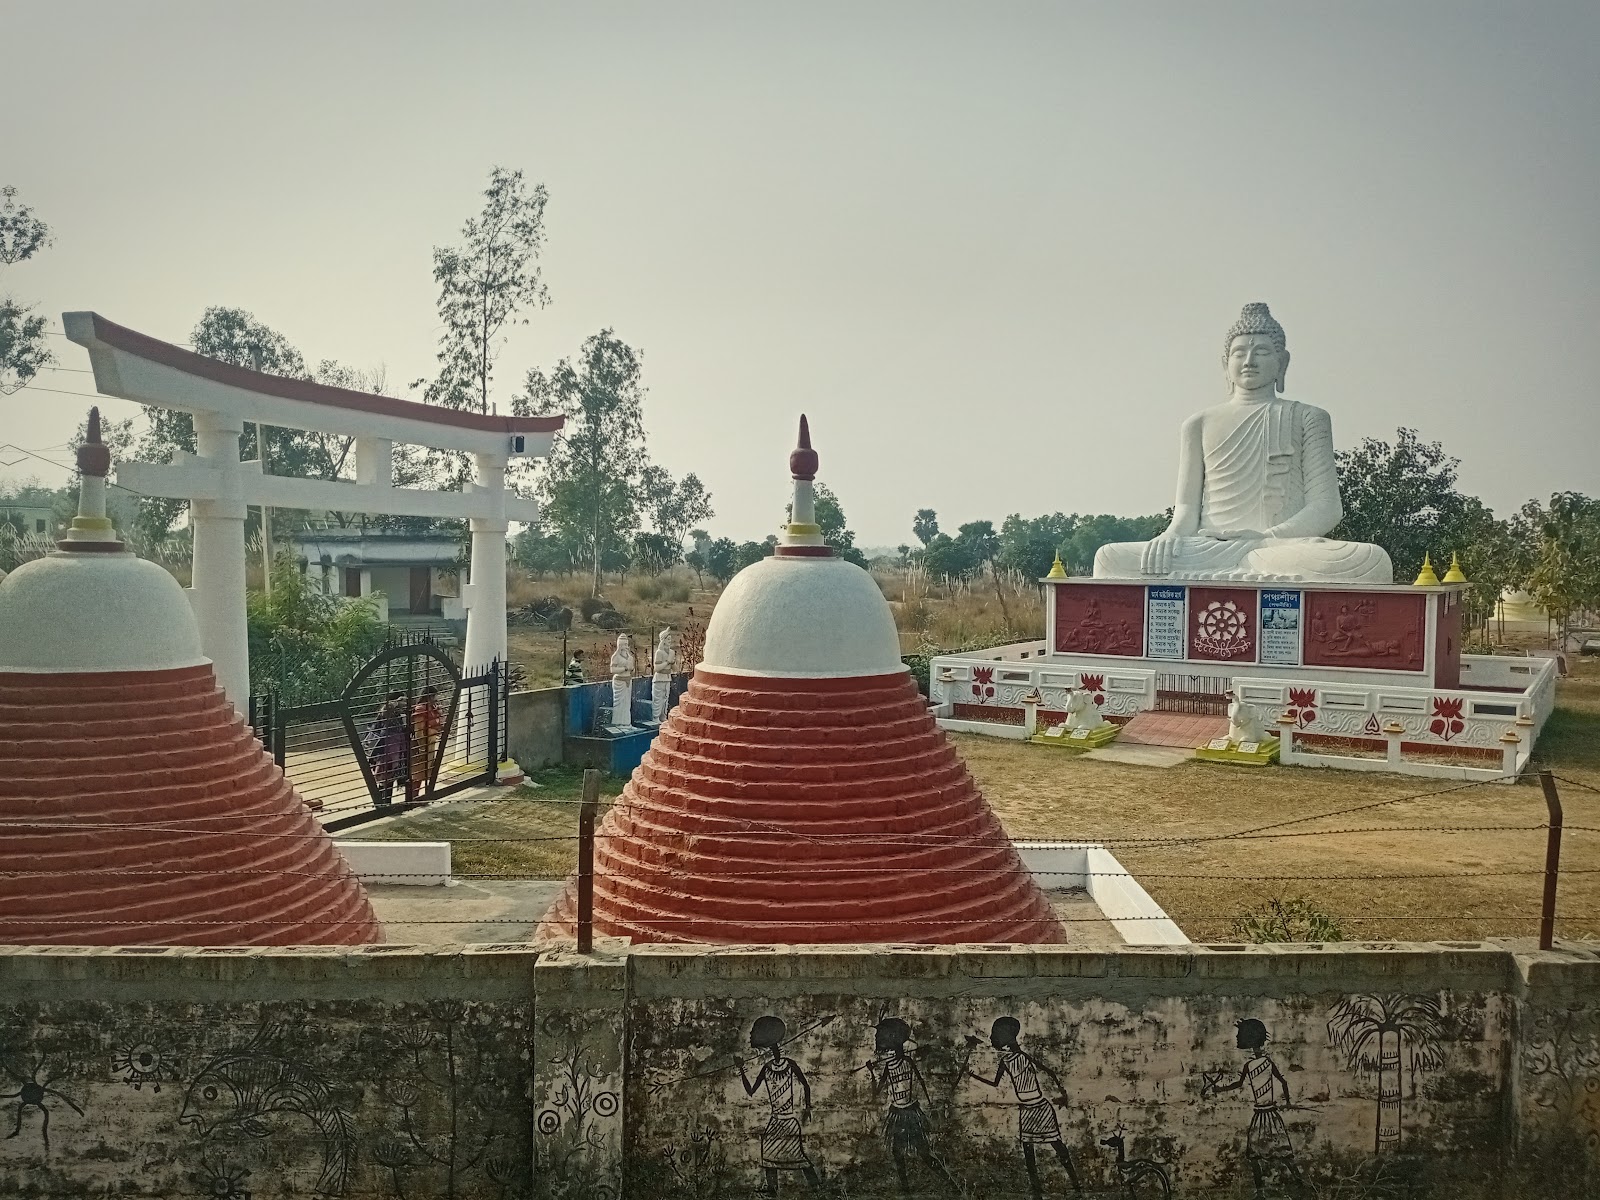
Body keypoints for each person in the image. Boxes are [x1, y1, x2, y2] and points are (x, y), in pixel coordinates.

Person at [1092, 303, 1392, 583]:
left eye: (1261, 351)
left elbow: (1326, 508)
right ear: (1226, 363)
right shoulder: (1199, 423)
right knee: (1110, 557)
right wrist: (1170, 537)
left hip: (1277, 547)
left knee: (1368, 559)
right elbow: (1186, 509)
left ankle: (1238, 567)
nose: (1249, 361)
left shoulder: (1308, 418)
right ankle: (1238, 569)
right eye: (1239, 353)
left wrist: (1268, 537)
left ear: (1282, 362)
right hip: (1208, 547)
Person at [968, 1017, 1081, 1197]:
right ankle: (1037, 1193)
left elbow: (1050, 1072)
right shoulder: (1006, 1061)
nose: (991, 1038)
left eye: (995, 1034)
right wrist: (973, 1076)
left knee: (1058, 1147)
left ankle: (1077, 1186)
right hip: (1027, 1111)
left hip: (1041, 1108)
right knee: (1029, 1154)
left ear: (1005, 1036)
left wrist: (1063, 1095)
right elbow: (995, 1083)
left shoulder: (1023, 1057)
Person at [1202, 1019, 1304, 1199]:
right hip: (1262, 1114)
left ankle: (1299, 1184)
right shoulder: (1256, 1064)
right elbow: (1280, 1082)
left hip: (1268, 1114)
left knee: (1280, 1153)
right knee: (1258, 1156)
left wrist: (1287, 1102)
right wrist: (1220, 1089)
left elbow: (1281, 1082)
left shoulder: (1261, 1063)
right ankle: (1262, 1192)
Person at [866, 1018, 959, 1194]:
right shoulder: (889, 1065)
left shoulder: (906, 1061)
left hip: (910, 1113)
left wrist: (931, 1105)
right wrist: (872, 1072)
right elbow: (876, 1091)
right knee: (897, 1154)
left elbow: (921, 1082)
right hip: (897, 1113)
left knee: (924, 1153)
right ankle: (906, 1191)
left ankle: (952, 1185)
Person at [738, 1015, 821, 1194]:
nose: (750, 1034)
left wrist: (807, 1108)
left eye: (754, 1032)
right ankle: (772, 1188)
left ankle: (815, 1186)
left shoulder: (789, 1064)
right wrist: (741, 1069)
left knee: (798, 1157)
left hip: (788, 1120)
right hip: (776, 1120)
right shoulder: (767, 1067)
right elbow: (751, 1091)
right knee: (768, 1153)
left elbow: (806, 1085)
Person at [364, 692, 408, 806]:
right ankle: (383, 804)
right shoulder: (388, 713)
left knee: (388, 779)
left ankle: (384, 804)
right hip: (386, 753)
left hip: (392, 752)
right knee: (385, 779)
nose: (405, 703)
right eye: (402, 700)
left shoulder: (396, 715)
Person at [409, 685, 444, 795]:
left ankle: (423, 796)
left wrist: (439, 713)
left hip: (431, 744)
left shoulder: (432, 708)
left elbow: (439, 725)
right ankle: (414, 797)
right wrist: (422, 748)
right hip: (422, 744)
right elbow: (418, 730)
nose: (437, 698)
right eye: (435, 695)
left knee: (425, 773)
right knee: (417, 773)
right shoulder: (421, 709)